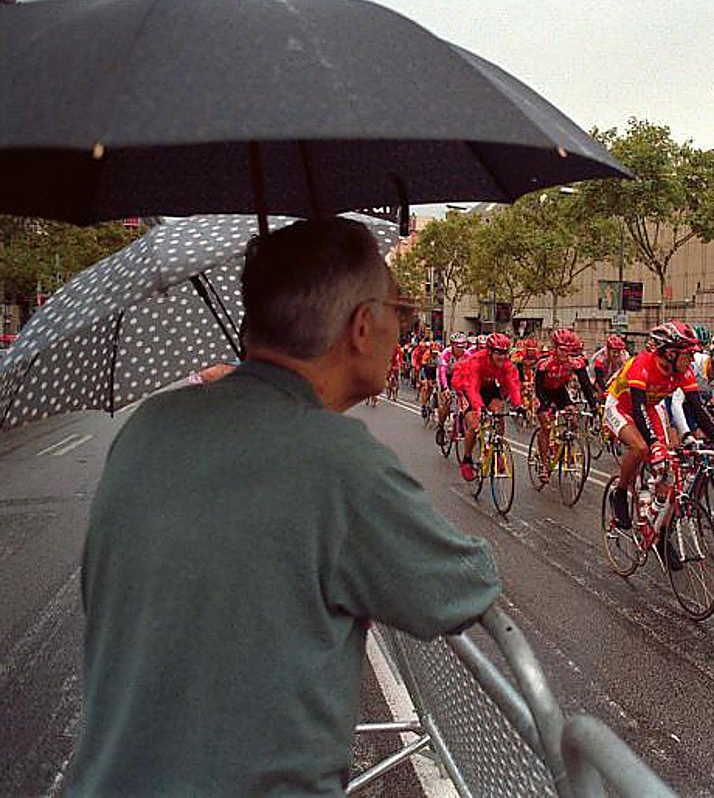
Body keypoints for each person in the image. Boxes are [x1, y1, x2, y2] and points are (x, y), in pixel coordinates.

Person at [68, 217, 501, 796]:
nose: (404, 326)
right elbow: (456, 587)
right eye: (400, 308)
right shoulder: (339, 460)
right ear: (362, 325)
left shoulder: (150, 425)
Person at [604, 320, 714, 531]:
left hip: (650, 408)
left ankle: (660, 531)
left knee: (668, 464)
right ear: (670, 353)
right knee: (641, 448)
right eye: (688, 354)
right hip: (621, 406)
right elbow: (637, 408)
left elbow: (697, 408)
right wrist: (654, 443)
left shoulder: (684, 372)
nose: (692, 359)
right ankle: (620, 492)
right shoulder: (642, 364)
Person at [452, 331, 525, 481]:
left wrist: (519, 405)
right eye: (499, 353)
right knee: (475, 423)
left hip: (490, 387)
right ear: (490, 352)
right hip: (469, 386)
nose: (503, 357)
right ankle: (466, 459)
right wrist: (479, 408)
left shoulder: (507, 364)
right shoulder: (476, 361)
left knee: (498, 412)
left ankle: (497, 449)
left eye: (505, 353)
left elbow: (513, 384)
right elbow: (472, 388)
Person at [533, 328, 598, 483]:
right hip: (543, 392)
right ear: (555, 348)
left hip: (560, 391)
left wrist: (594, 406)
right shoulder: (545, 363)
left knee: (573, 418)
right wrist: (544, 406)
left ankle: (565, 445)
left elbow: (586, 386)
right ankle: (543, 464)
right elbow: (538, 388)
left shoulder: (575, 362)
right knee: (546, 425)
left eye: (569, 351)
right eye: (562, 350)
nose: (565, 354)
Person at [434, 331, 470, 442]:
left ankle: (461, 423)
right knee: (446, 401)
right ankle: (441, 427)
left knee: (466, 400)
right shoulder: (446, 353)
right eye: (458, 346)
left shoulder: (467, 355)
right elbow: (442, 371)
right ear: (452, 345)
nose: (460, 349)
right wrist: (445, 388)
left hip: (459, 377)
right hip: (446, 376)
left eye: (463, 346)